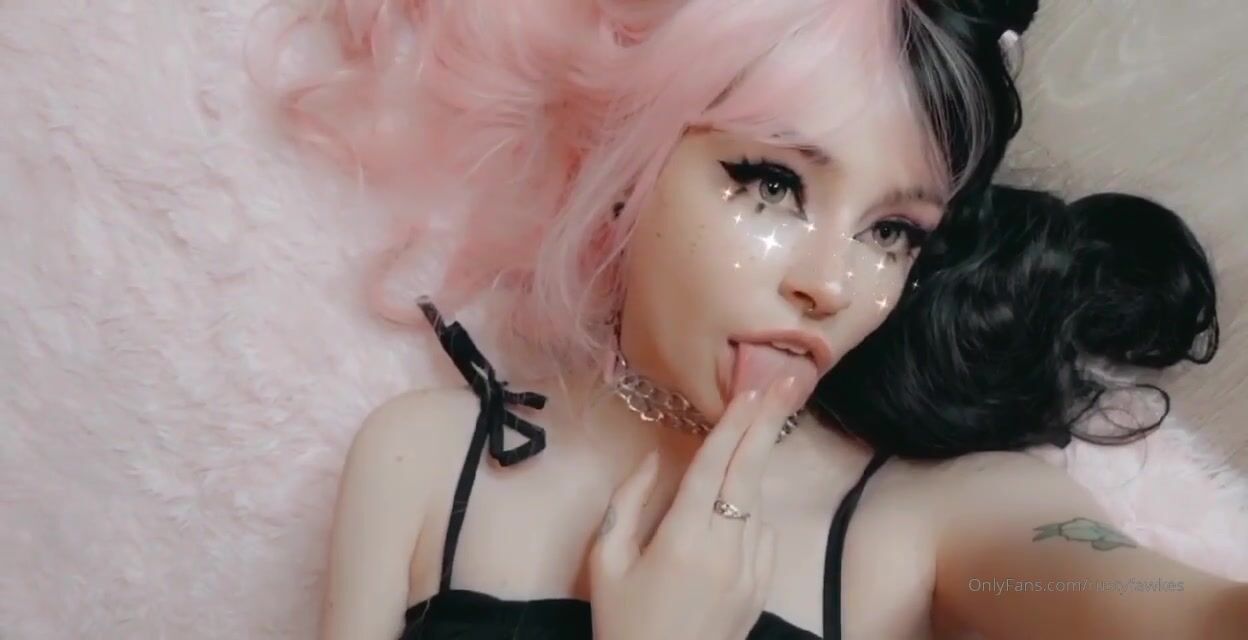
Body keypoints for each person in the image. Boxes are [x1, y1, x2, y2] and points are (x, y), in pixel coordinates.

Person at [271, 0, 1245, 638]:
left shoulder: (930, 518)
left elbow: (1180, 614)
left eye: (892, 232)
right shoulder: (425, 459)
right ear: (627, 165)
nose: (832, 283)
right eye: (772, 183)